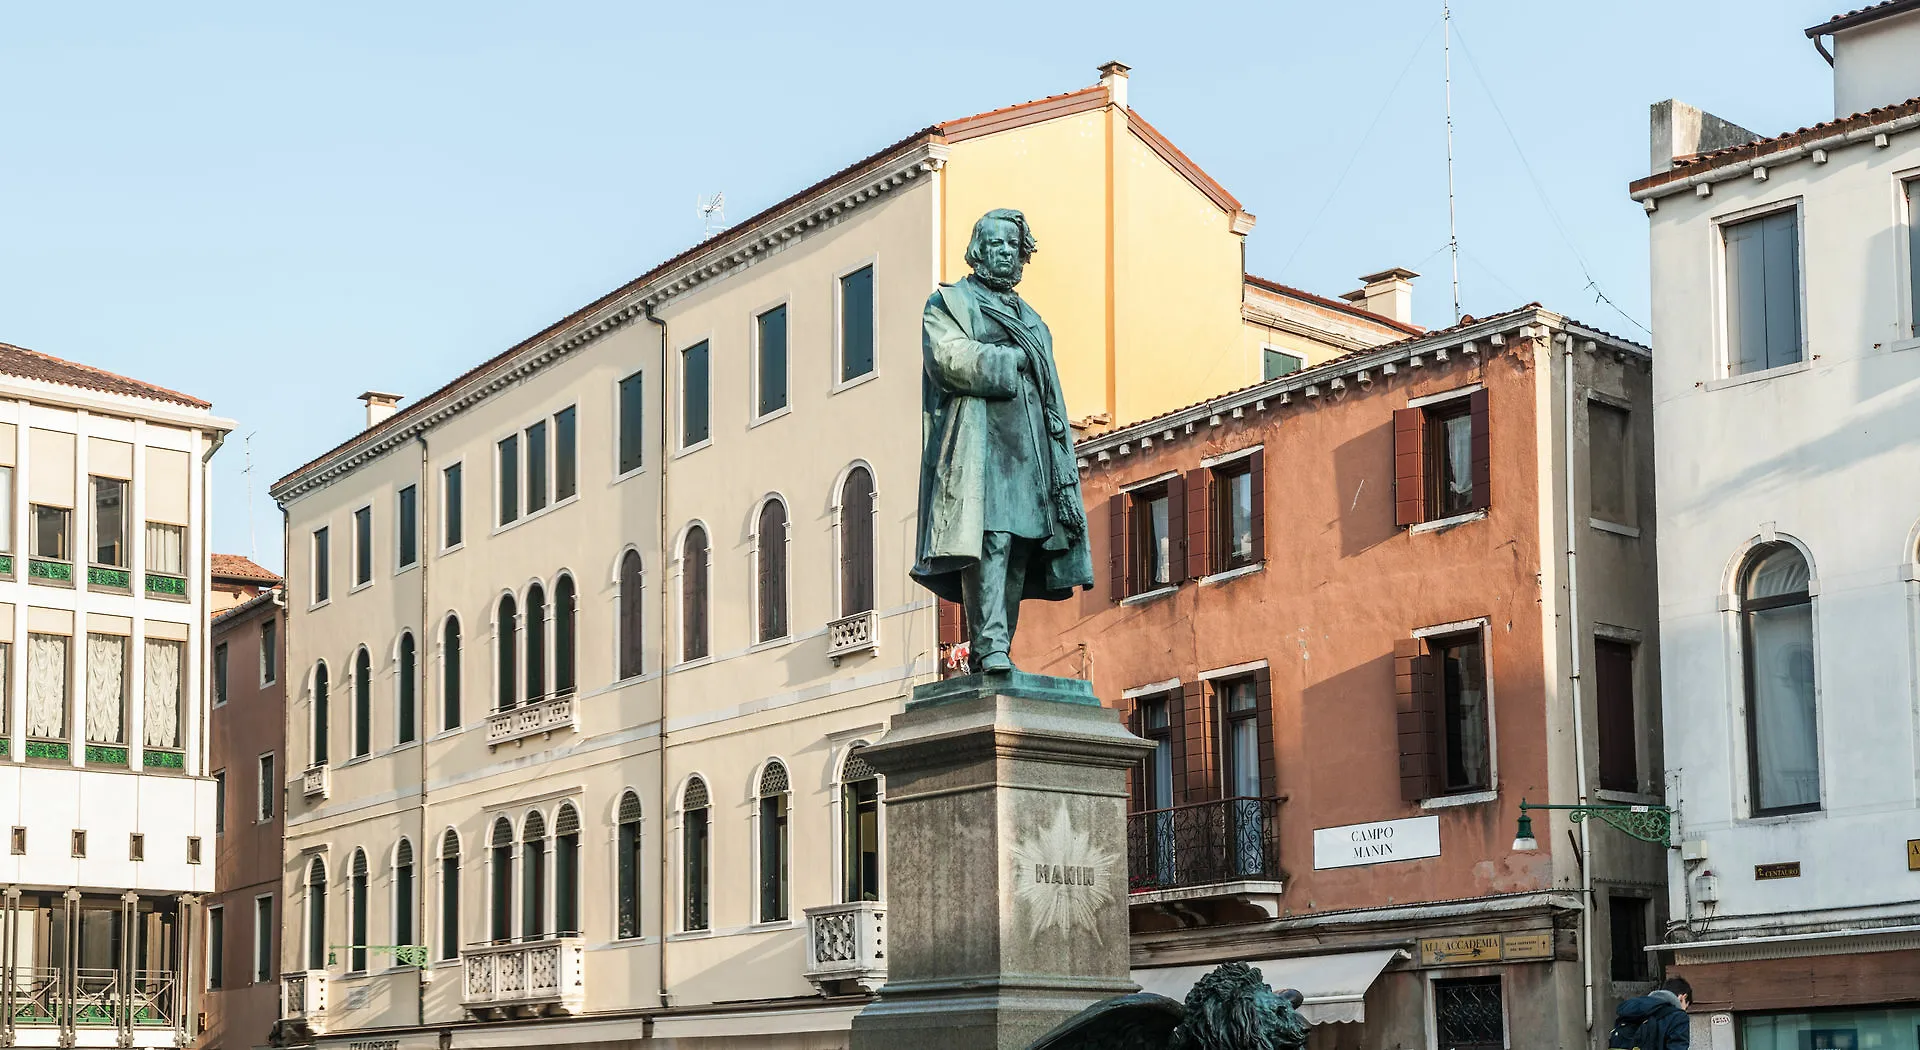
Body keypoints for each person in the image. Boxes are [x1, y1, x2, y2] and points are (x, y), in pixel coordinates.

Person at [912, 209, 1092, 671]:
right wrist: (1008, 360)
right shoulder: (950, 304)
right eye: (997, 245)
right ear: (978, 251)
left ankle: (998, 646)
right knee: (989, 538)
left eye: (1013, 246)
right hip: (979, 443)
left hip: (1029, 447)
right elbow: (947, 359)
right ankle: (989, 645)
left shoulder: (1033, 319)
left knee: (1019, 544)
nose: (1007, 253)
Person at [1610, 976, 1692, 1050]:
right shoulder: (1678, 1017)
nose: (1684, 1010)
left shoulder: (1632, 1010)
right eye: (1685, 1007)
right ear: (1683, 997)